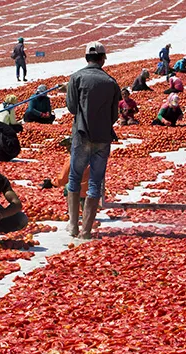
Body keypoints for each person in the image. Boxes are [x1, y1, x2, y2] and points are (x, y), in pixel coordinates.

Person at [66, 41, 121, 239]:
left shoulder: (76, 77)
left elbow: (72, 108)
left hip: (81, 136)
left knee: (74, 178)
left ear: (86, 58)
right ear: (102, 59)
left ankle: (72, 225)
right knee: (95, 183)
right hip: (102, 138)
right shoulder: (111, 82)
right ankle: (86, 231)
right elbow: (114, 115)